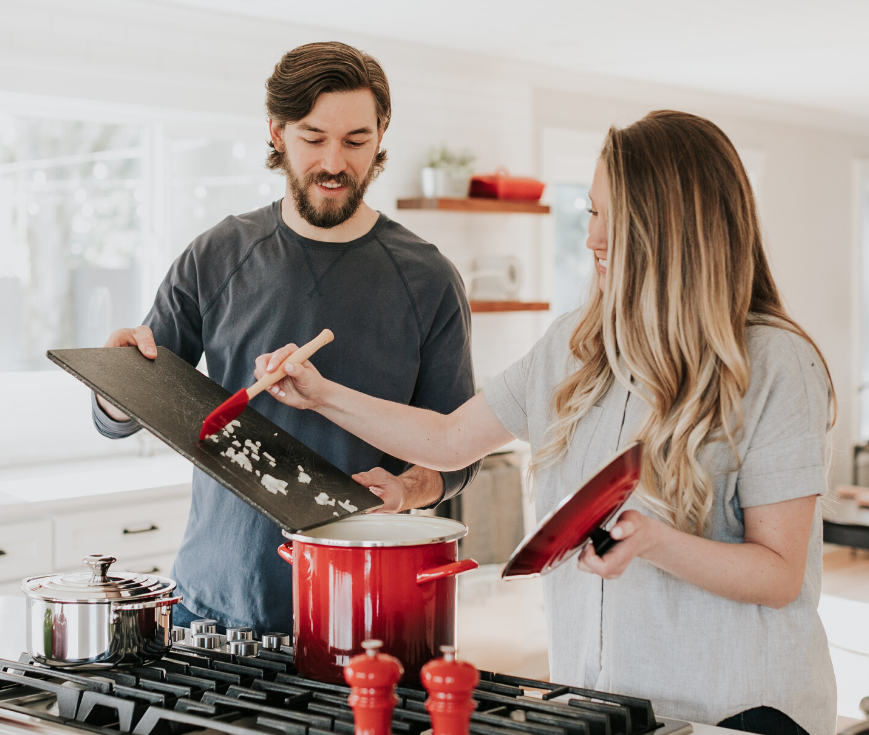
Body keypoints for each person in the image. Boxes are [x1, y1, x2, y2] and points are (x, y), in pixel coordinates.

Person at [256, 110, 836, 735]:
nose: (593, 238)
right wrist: (320, 394)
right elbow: (450, 440)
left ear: (677, 229)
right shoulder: (573, 347)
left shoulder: (775, 363)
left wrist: (655, 540)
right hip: (603, 708)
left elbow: (779, 574)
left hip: (739, 712)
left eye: (618, 218)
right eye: (591, 212)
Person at [92, 41, 480, 636]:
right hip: (211, 608)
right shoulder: (216, 255)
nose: (334, 162)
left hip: (363, 611)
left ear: (380, 136)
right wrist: (115, 385)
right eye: (312, 137)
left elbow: (458, 455)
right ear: (276, 132)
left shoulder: (428, 279)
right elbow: (128, 406)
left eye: (355, 141)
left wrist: (407, 488)